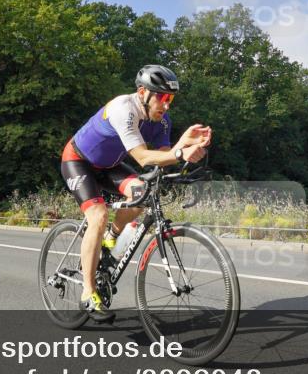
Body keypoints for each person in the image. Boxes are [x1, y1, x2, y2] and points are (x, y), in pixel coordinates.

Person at [61, 65, 211, 321]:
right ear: (143, 92)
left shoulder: (162, 120)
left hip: (109, 166)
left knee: (142, 194)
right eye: (162, 97)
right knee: (98, 215)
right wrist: (179, 152)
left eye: (170, 98)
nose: (166, 105)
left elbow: (162, 158)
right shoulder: (124, 109)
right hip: (78, 161)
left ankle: (111, 237)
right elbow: (142, 157)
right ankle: (88, 292)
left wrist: (185, 145)